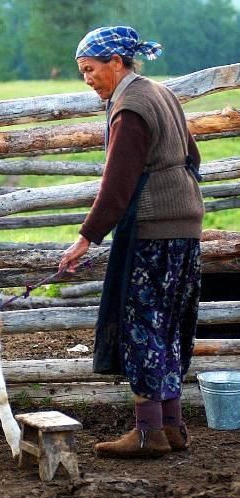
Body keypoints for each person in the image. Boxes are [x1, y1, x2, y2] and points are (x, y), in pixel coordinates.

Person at [59, 26, 204, 459]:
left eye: (90, 69)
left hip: (151, 228)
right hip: (185, 225)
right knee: (170, 323)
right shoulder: (159, 92)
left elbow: (117, 184)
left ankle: (147, 432)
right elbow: (193, 158)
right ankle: (173, 426)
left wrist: (86, 238)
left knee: (142, 325)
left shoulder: (130, 107)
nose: (87, 78)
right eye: (82, 71)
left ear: (116, 63)